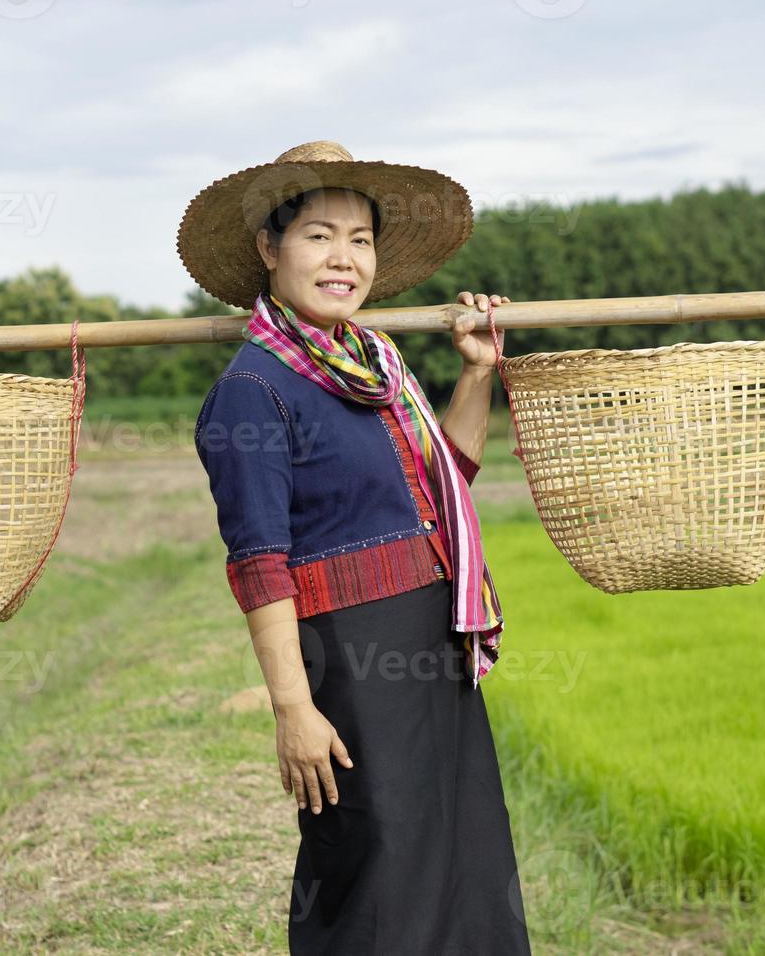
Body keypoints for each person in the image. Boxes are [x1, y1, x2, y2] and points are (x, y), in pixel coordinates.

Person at [181, 140, 532, 954]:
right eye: (318, 235)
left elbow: (444, 483)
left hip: (430, 648)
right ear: (270, 249)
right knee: (378, 875)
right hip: (349, 664)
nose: (343, 258)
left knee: (463, 860)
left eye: (360, 239)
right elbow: (259, 565)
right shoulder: (254, 390)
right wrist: (293, 709)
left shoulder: (376, 364)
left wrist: (477, 375)